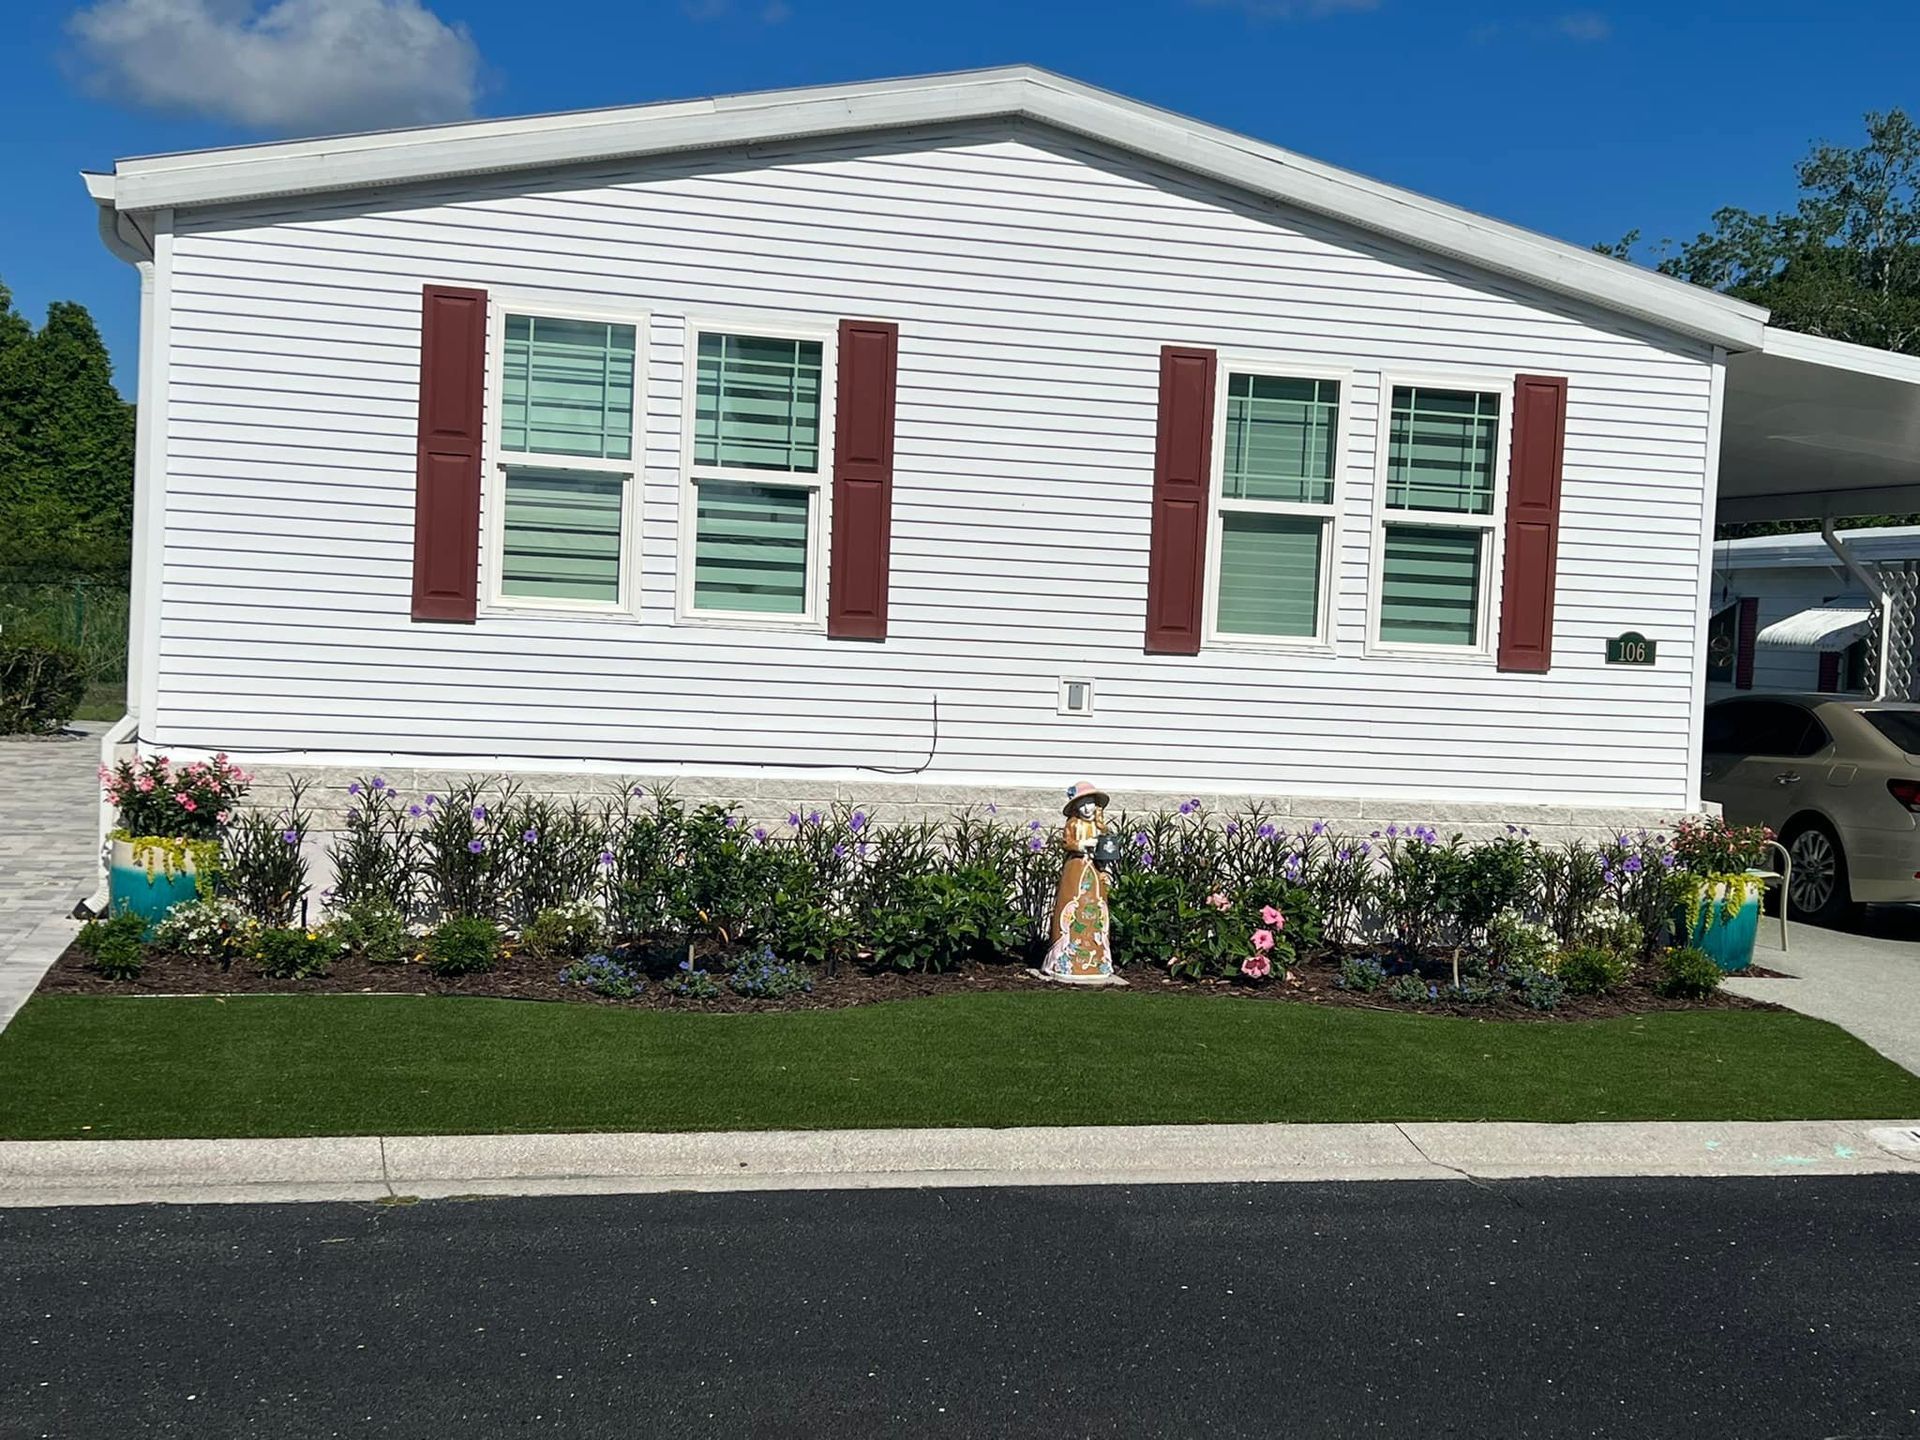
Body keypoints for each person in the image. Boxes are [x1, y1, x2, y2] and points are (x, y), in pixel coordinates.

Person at [1037, 781, 1121, 984]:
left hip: (1095, 870)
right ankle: (1065, 957)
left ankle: (1097, 958)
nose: (1087, 809)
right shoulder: (1074, 824)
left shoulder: (1098, 826)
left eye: (1090, 803)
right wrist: (1083, 844)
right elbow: (1067, 843)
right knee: (1072, 905)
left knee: (1095, 908)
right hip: (1077, 868)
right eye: (1082, 804)